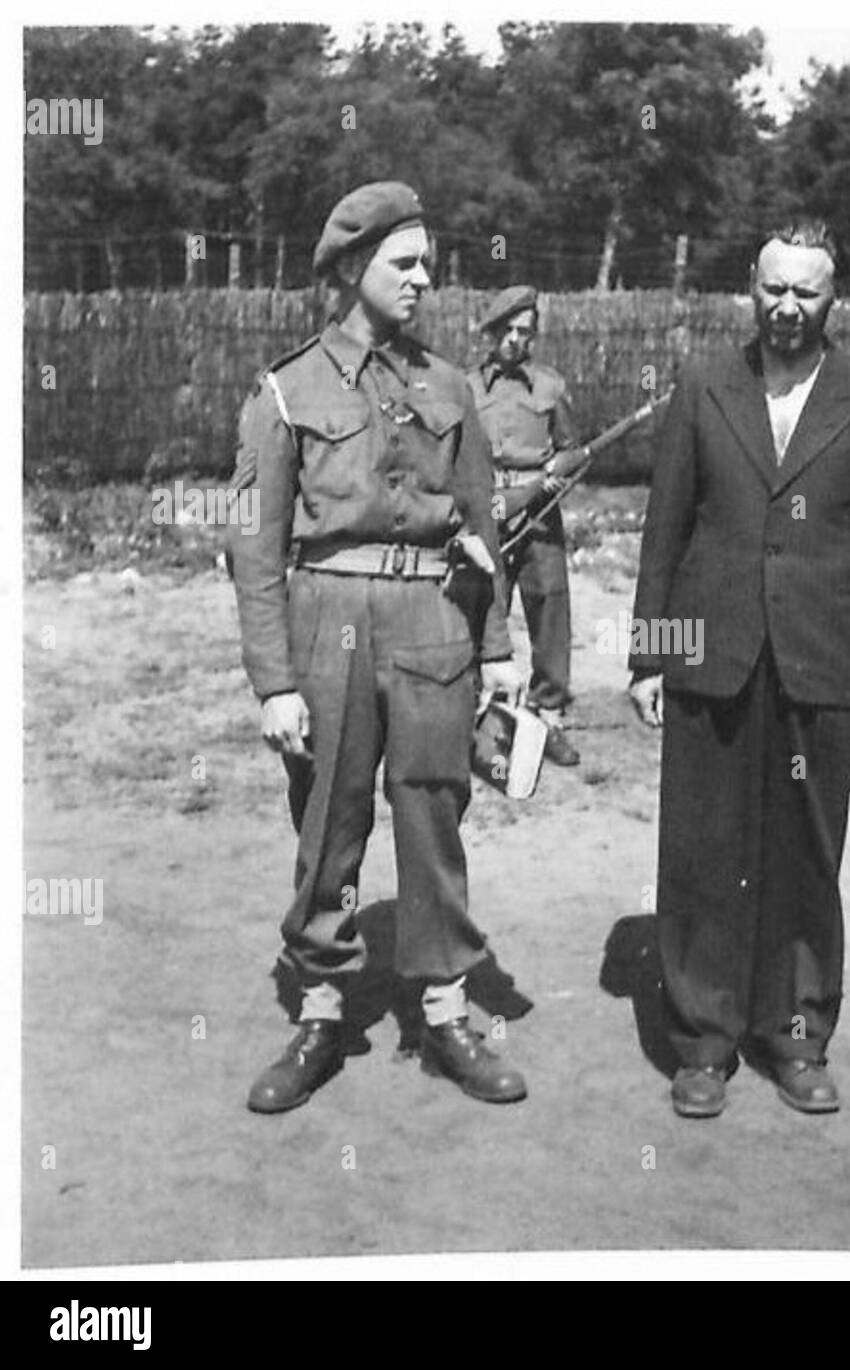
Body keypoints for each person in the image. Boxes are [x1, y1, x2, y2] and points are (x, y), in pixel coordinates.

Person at [228, 182, 528, 1113]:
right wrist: (275, 683)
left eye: (427, 263)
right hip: (329, 623)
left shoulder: (449, 387)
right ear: (353, 270)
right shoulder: (288, 389)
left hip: (435, 618)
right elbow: (254, 545)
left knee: (435, 814)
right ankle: (321, 1011)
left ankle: (445, 1011)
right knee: (329, 819)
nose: (424, 279)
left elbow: (483, 525)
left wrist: (498, 648)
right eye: (405, 263)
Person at [628, 221, 850, 1118]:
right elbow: (666, 526)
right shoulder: (704, 385)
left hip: (823, 661)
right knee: (704, 852)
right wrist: (649, 653)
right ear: (748, 290)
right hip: (712, 655)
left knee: (804, 855)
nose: (788, 308)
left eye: (808, 293)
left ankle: (795, 1036)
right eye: (773, 290)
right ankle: (705, 1042)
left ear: (836, 300)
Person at [466, 285, 586, 765]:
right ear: (492, 334)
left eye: (525, 333)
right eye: (508, 331)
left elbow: (572, 450)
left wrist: (555, 480)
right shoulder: (465, 387)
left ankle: (548, 716)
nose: (516, 341)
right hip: (487, 513)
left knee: (550, 609)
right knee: (481, 608)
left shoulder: (549, 387)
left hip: (538, 517)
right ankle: (482, 721)